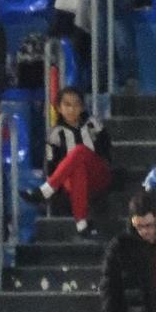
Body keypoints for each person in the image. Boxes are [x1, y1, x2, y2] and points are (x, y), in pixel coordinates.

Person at [22, 87, 110, 237]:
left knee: (79, 151)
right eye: (67, 105)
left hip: (97, 175)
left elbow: (106, 152)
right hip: (71, 183)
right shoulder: (55, 134)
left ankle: (46, 190)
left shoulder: (93, 124)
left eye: (76, 104)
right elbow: (51, 166)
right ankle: (81, 224)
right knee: (77, 169)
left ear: (82, 107)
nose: (72, 109)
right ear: (59, 108)